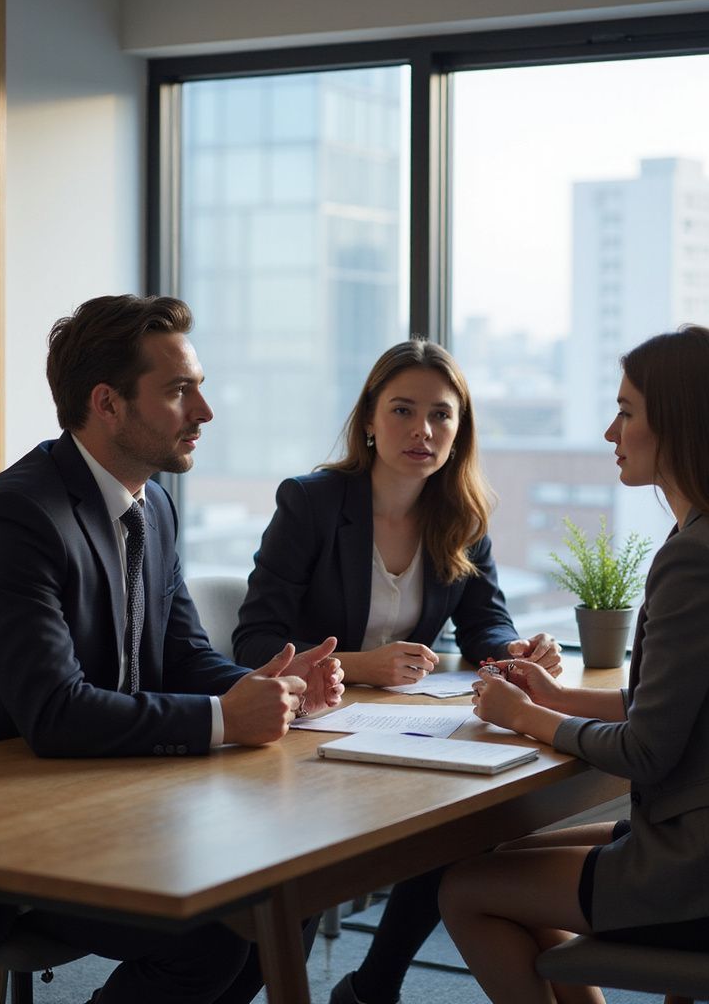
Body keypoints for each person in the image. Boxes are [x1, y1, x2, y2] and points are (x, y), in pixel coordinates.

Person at [0, 294, 345, 1004]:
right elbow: (54, 712)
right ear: (106, 404)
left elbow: (186, 655)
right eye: (178, 391)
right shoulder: (18, 518)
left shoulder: (151, 504)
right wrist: (230, 719)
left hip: (112, 790)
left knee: (288, 886)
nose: (205, 410)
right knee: (208, 932)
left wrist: (275, 686)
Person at [437, 325, 709, 1004]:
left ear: (680, 426)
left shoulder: (698, 557)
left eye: (627, 412)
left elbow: (649, 751)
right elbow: (680, 706)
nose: (611, 430)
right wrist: (557, 698)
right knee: (500, 864)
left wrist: (526, 716)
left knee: (466, 891)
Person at [232, 337, 562, 1004]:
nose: (423, 431)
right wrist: (357, 665)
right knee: (305, 866)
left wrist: (515, 655)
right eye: (403, 410)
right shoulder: (312, 503)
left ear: (459, 429)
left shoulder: (461, 516)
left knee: (463, 822)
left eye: (441, 415)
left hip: (395, 734)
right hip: (301, 737)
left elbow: (483, 625)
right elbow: (253, 641)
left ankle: (373, 985)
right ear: (369, 421)